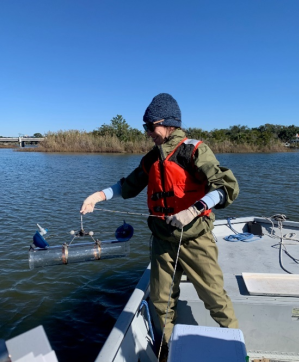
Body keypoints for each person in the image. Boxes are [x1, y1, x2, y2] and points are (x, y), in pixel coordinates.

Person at [80, 93, 239, 349]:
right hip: (162, 241)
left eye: (150, 126)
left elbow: (226, 187)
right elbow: (128, 186)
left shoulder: (194, 150)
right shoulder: (151, 159)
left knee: (215, 298)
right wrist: (98, 196)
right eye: (146, 127)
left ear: (168, 124)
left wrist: (194, 209)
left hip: (195, 240)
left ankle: (236, 349)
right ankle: (169, 352)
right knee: (160, 302)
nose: (148, 133)